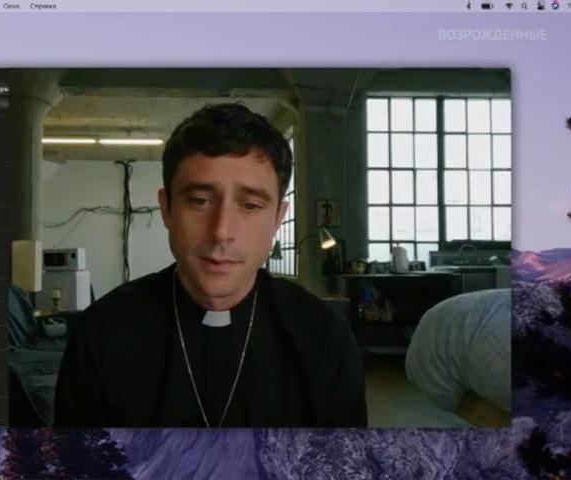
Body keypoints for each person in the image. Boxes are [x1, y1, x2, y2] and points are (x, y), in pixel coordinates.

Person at [53, 103, 366, 428]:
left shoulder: (325, 339)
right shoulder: (101, 335)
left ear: (277, 219)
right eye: (200, 201)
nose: (221, 231)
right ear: (167, 209)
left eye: (250, 205)